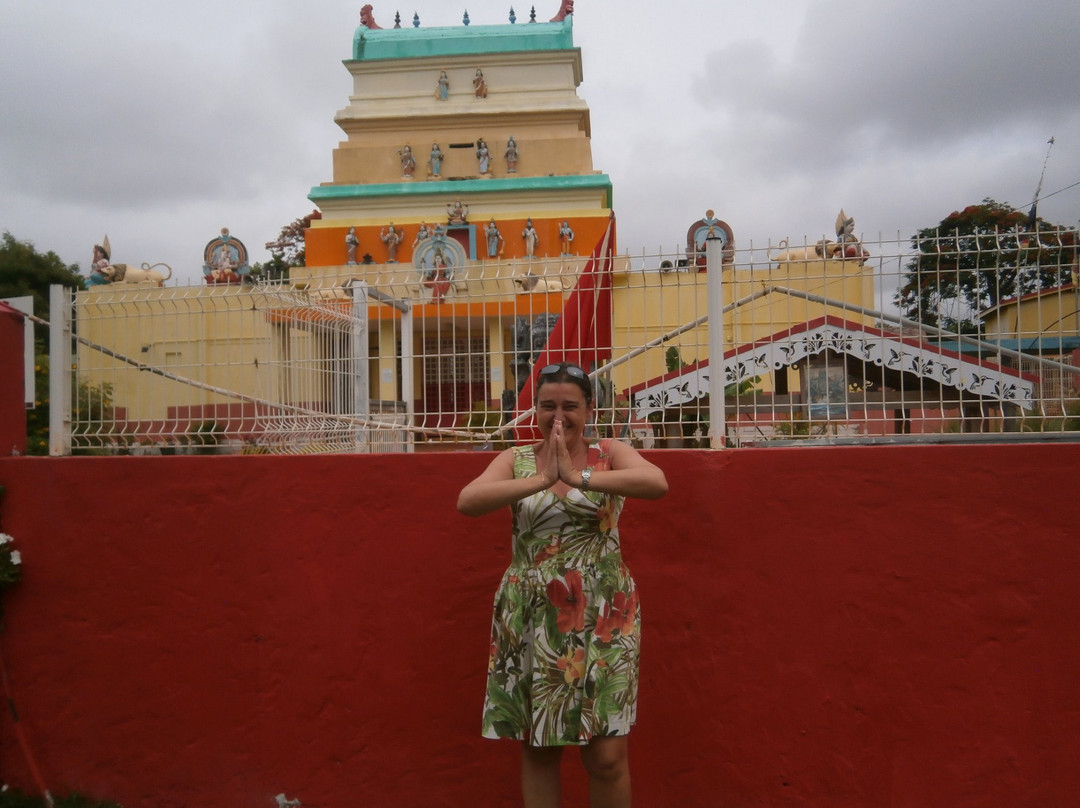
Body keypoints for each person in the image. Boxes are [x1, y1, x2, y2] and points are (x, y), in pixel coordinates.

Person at [458, 362, 668, 808]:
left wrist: (577, 478)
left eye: (570, 406)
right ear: (534, 409)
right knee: (540, 746)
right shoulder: (515, 460)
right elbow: (468, 501)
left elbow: (656, 482)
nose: (559, 416)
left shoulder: (610, 453)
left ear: (589, 408)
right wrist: (540, 479)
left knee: (607, 755)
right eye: (547, 405)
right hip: (532, 613)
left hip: (606, 613)